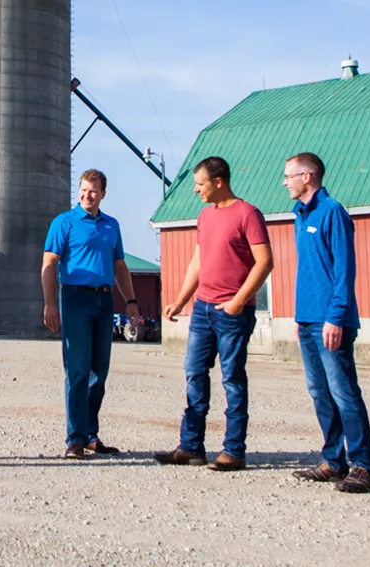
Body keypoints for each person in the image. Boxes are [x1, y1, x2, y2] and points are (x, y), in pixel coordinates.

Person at [153, 156, 272, 472]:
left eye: (200, 184)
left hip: (232, 312)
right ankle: (191, 447)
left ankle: (234, 451)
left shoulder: (248, 214)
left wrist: (238, 301)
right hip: (203, 309)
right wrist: (180, 301)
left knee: (232, 378)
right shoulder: (205, 216)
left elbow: (264, 262)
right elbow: (197, 262)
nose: (196, 190)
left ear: (218, 182)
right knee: (194, 373)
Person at [282, 151, 370, 493]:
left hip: (331, 321)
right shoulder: (299, 216)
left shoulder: (332, 212)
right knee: (320, 393)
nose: (285, 182)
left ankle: (365, 466)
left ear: (307, 177)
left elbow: (344, 270)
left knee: (344, 393)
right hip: (309, 321)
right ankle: (334, 461)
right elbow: (309, 273)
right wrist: (301, 318)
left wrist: (335, 316)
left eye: (289, 176)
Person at [41, 169, 140, 460]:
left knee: (100, 372)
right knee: (78, 371)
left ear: (103, 194)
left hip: (105, 301)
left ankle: (90, 435)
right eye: (83, 190)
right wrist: (50, 303)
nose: (87, 195)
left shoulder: (111, 226)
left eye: (93, 191)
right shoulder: (65, 222)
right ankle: (74, 438)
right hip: (74, 299)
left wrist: (131, 301)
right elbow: (49, 262)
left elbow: (120, 267)